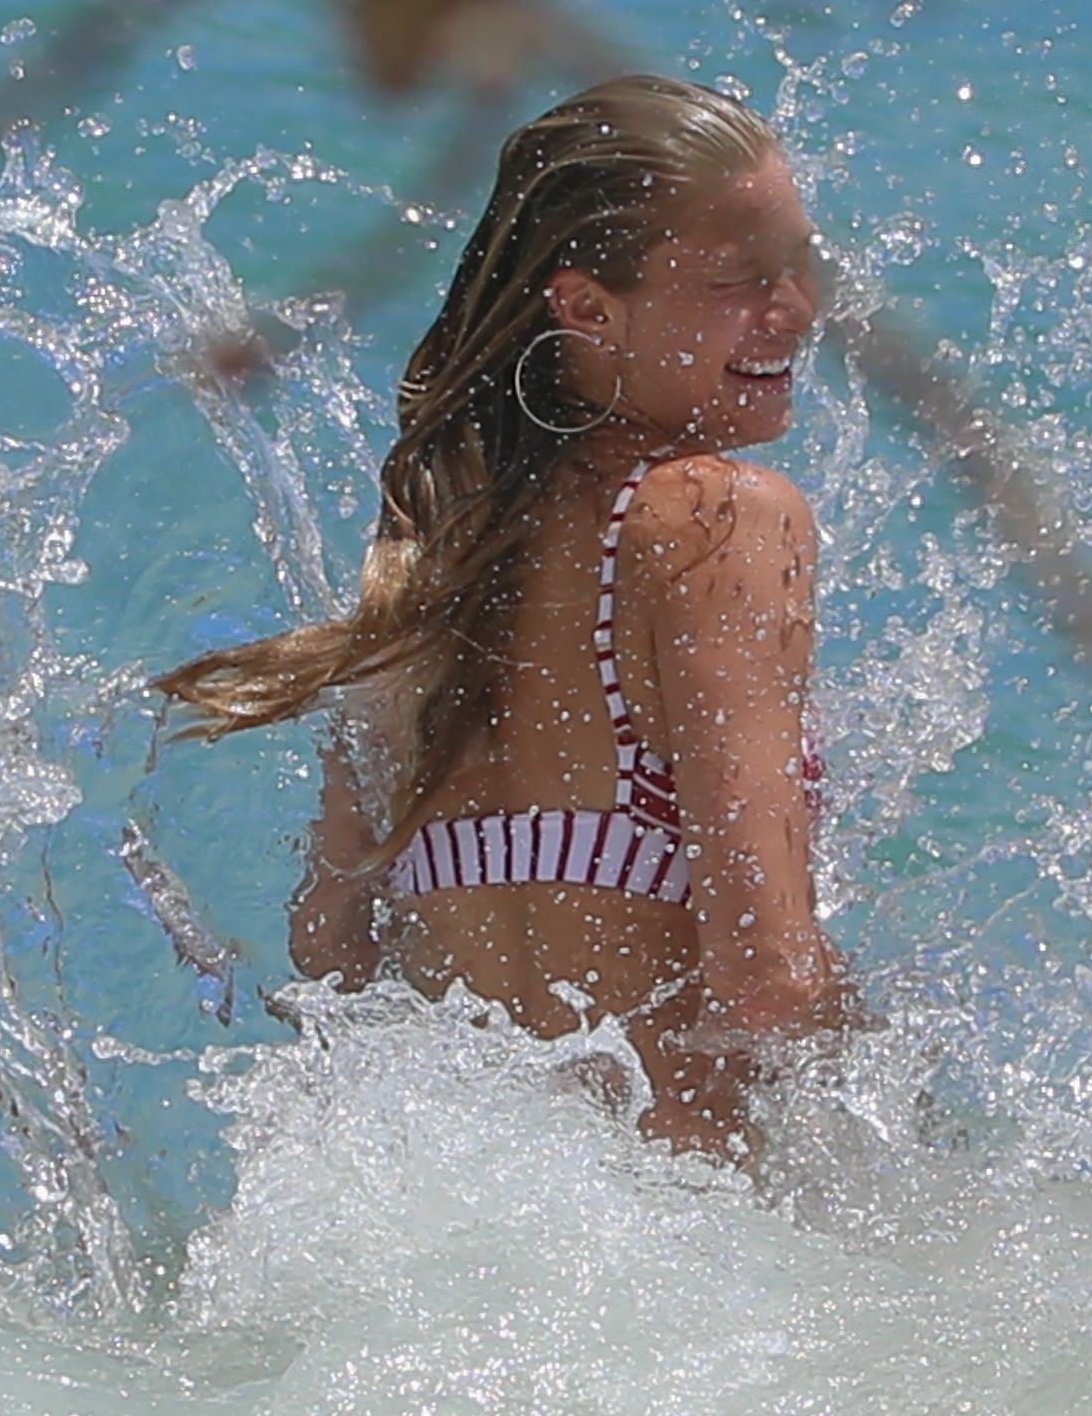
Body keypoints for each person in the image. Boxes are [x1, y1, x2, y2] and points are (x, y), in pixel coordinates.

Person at [151, 74, 861, 1160]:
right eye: (738, 279)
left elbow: (331, 942)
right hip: (688, 1240)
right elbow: (766, 976)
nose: (796, 312)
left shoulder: (430, 556)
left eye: (799, 265)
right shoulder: (719, 520)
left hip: (456, 1234)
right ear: (583, 307)